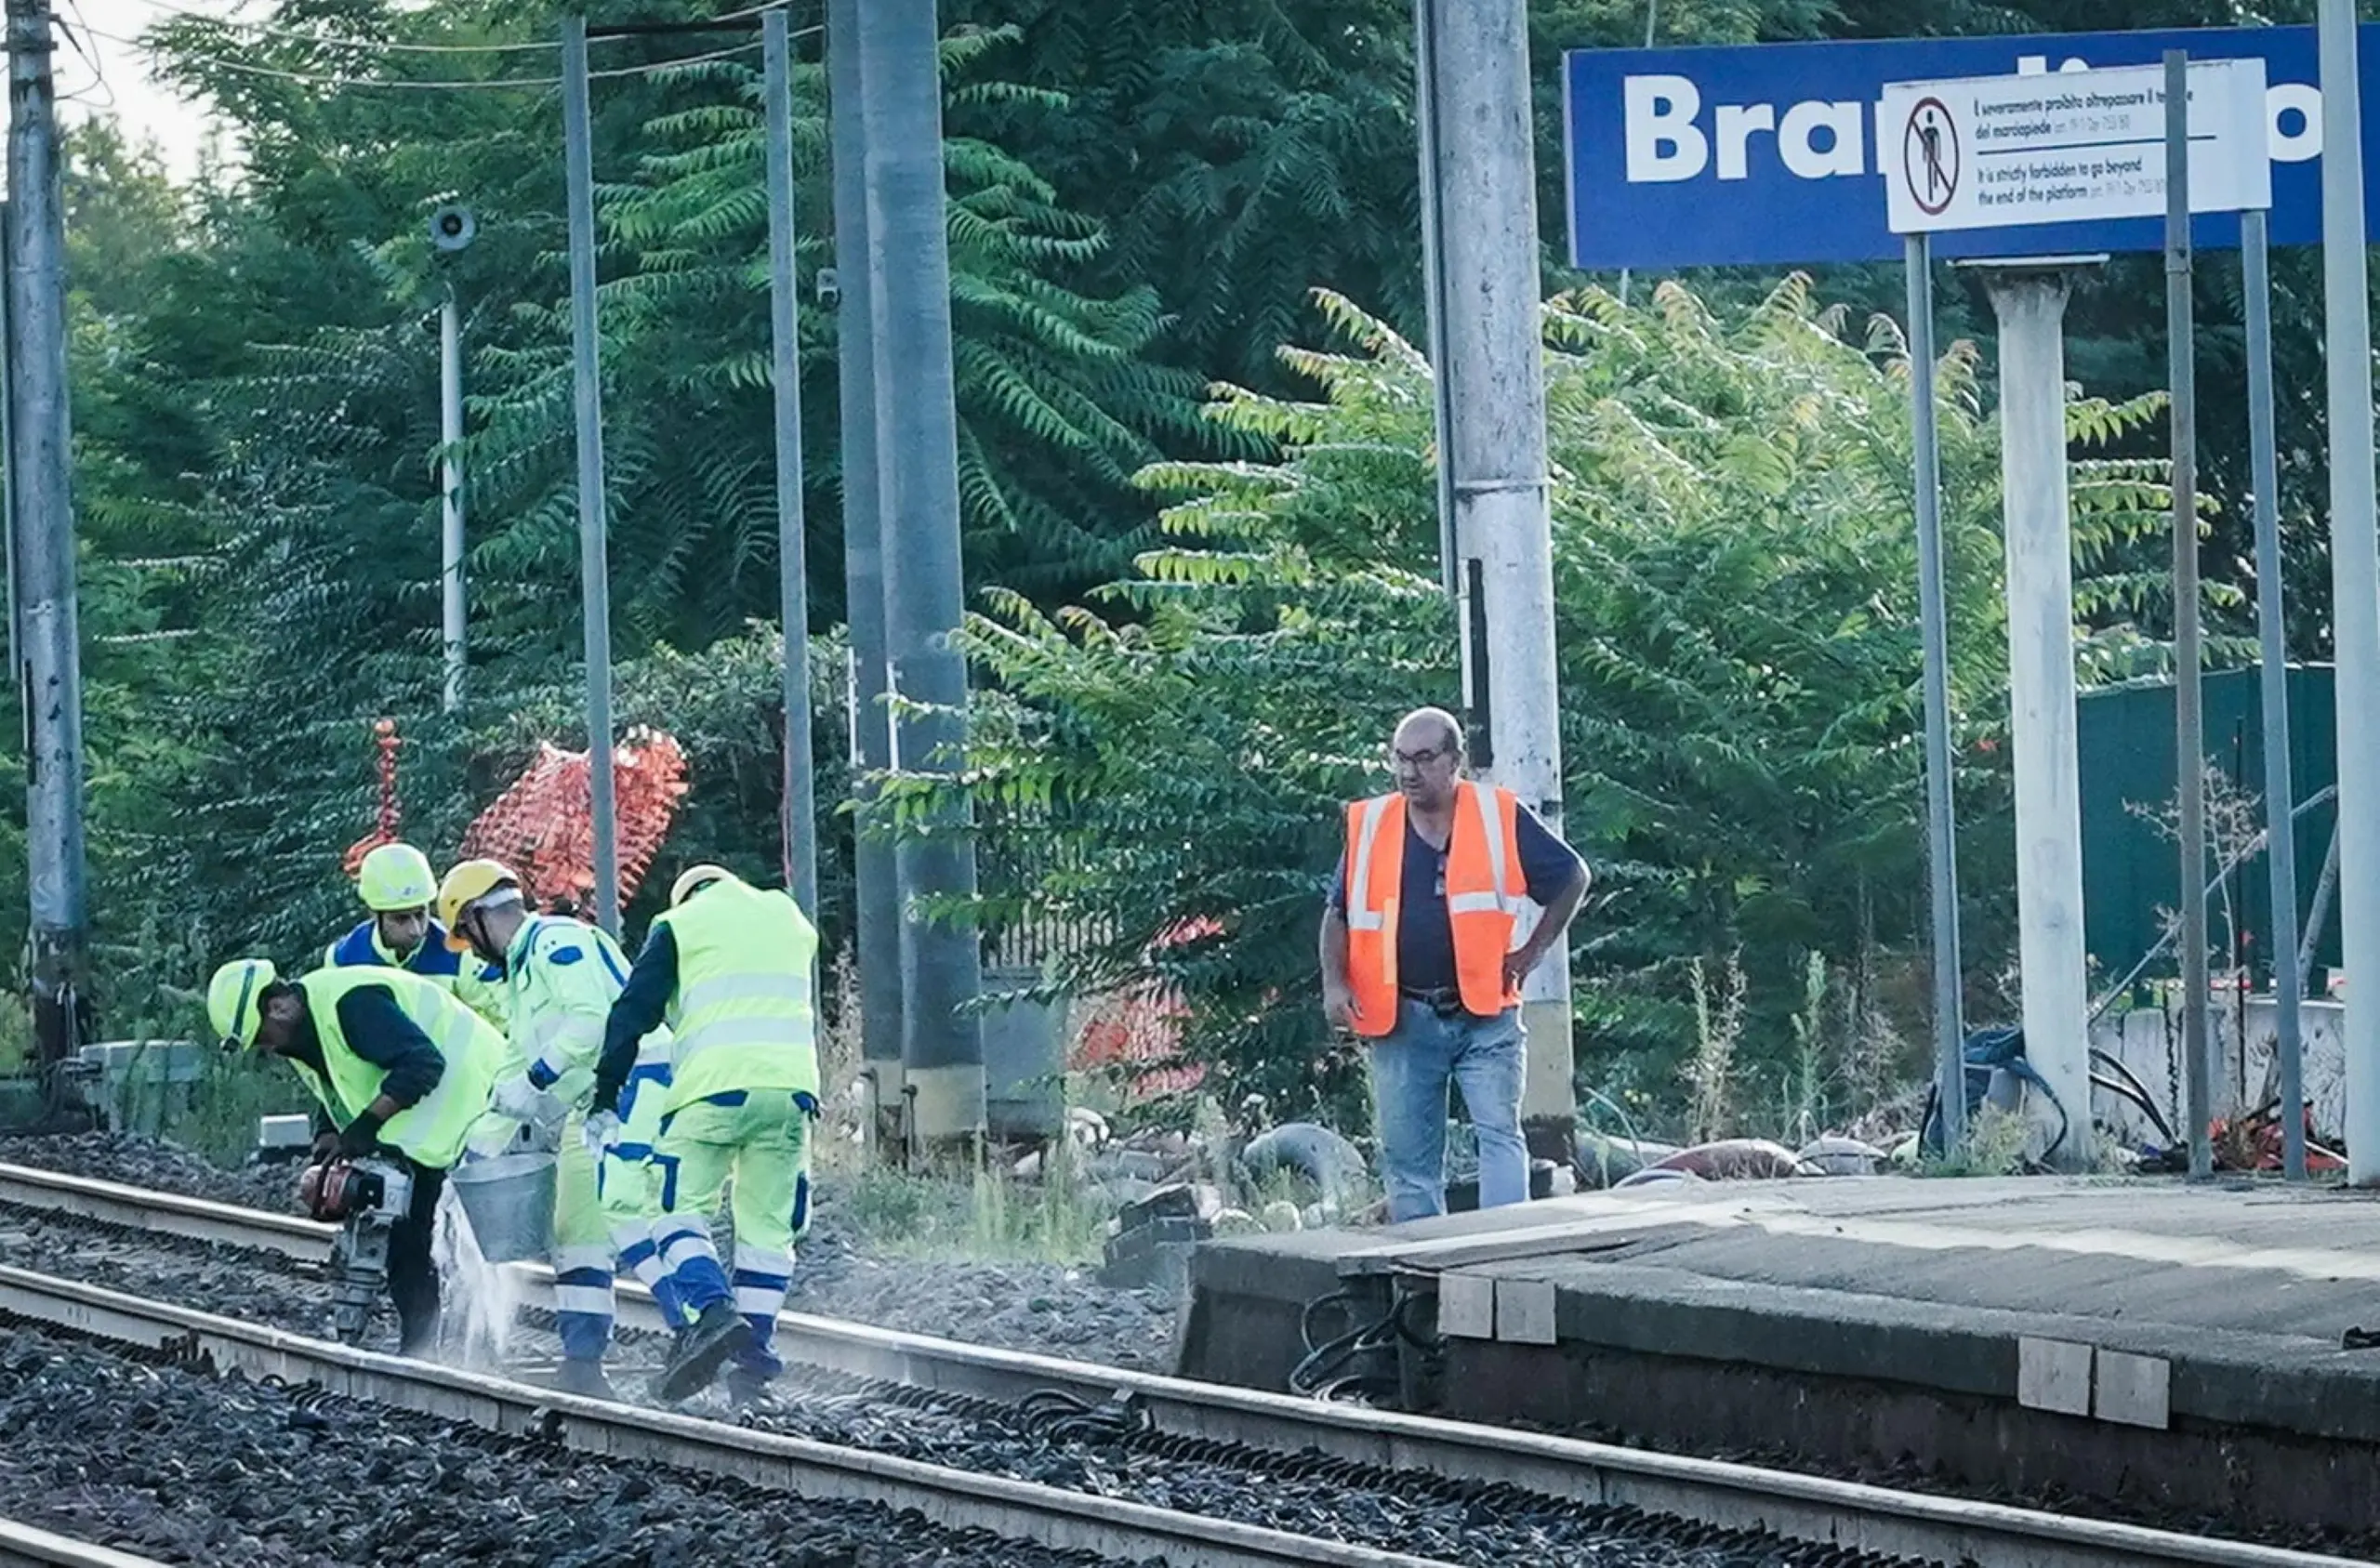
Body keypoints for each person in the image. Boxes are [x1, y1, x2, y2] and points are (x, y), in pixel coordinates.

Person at [1320, 706, 1590, 1223]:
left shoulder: (1498, 816)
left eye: (1423, 758)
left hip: (1485, 1013)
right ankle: (1426, 1280)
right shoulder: (1372, 825)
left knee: (1499, 1136)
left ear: (1455, 760)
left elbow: (1572, 876)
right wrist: (1335, 984)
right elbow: (1338, 913)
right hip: (1402, 1016)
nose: (1409, 772)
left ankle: (1503, 1259)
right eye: (1400, 758)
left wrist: (1532, 951)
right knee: (1409, 1162)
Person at [437, 857, 690, 1398]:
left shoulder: (555, 941)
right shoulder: (524, 977)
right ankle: (582, 1361)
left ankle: (694, 1325)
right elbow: (513, 1070)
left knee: (628, 1214)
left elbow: (592, 1019)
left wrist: (539, 1077)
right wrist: (478, 1150)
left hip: (635, 1080)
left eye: (467, 937)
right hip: (593, 1104)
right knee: (576, 1232)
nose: (474, 952)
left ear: (480, 919)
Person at [588, 863, 820, 1403]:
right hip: (792, 1094)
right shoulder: (786, 915)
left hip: (712, 1091)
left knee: (672, 1208)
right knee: (767, 1232)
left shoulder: (680, 925)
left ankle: (712, 1312)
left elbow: (632, 1013)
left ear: (688, 895)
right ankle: (752, 1373)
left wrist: (605, 1096)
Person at [206, 956, 507, 1353]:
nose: (268, 1048)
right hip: (432, 1129)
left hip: (479, 1103)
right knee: (408, 1240)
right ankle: (423, 1350)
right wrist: (327, 1141)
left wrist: (366, 1125)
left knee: (430, 1242)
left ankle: (443, 1350)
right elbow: (338, 1082)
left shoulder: (352, 1005)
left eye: (263, 1036)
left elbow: (422, 1063)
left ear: (277, 1006)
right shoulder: (307, 1027)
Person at [329, 841, 509, 1027]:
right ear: (374, 913)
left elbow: (507, 1024)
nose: (415, 929)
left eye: (420, 914)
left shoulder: (465, 956)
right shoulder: (342, 960)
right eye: (401, 919)